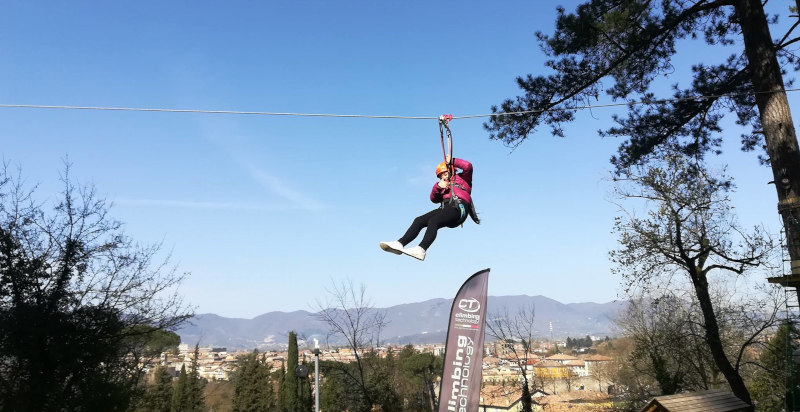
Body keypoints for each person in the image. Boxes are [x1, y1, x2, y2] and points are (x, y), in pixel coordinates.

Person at [380, 156, 479, 261]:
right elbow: (433, 199)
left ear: (452, 170)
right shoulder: (443, 186)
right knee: (419, 220)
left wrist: (452, 161)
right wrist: (438, 187)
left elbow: (468, 166)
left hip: (459, 207)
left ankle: (421, 249)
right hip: (446, 208)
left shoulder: (463, 179)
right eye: (441, 176)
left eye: (445, 173)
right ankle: (400, 243)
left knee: (434, 221)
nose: (443, 177)